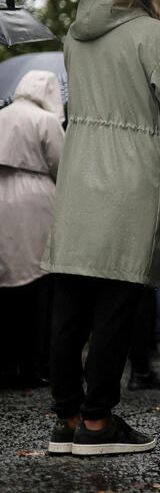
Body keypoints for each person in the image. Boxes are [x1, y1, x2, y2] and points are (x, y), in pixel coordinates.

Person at [42, 0, 160, 456]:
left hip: (79, 171)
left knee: (70, 301)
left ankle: (67, 418)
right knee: (117, 302)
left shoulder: (73, 35)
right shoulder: (152, 35)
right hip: (130, 176)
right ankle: (98, 422)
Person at [0, 70, 64, 389]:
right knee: (39, 285)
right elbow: (61, 164)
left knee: (7, 284)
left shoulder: (2, 114)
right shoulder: (46, 120)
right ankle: (34, 363)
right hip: (37, 200)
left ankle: (7, 364)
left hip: (2, 196)